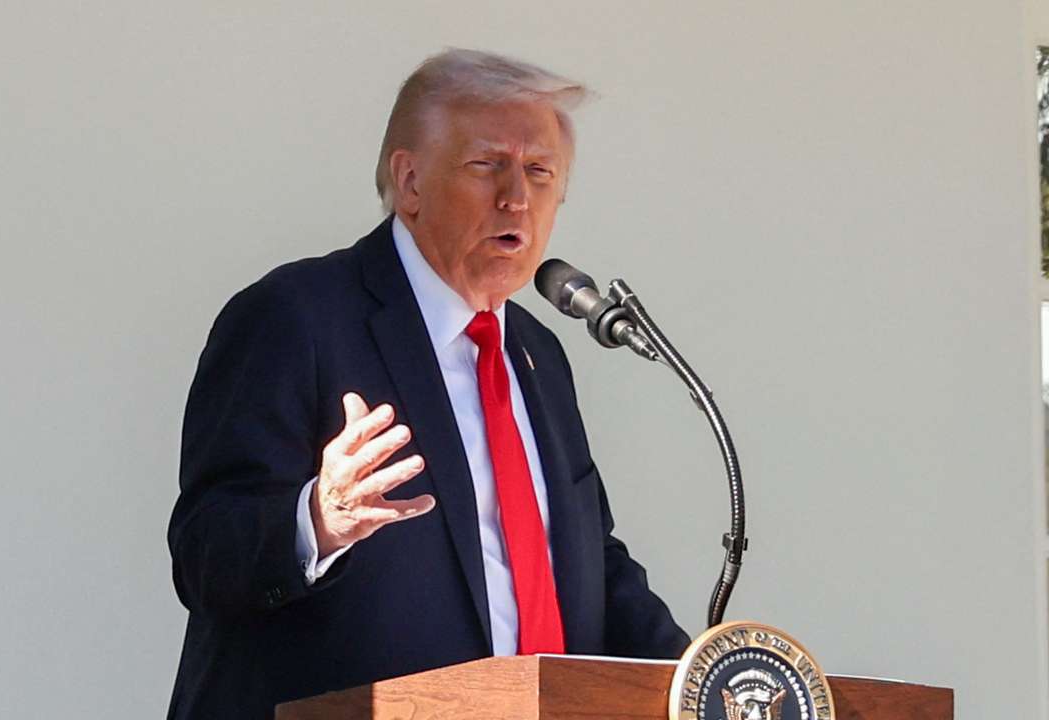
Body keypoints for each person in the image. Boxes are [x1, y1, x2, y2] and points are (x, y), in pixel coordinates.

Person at [166, 49, 688, 720]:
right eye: (487, 165)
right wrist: (317, 521)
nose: (516, 197)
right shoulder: (298, 317)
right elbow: (205, 552)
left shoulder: (538, 355)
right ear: (409, 181)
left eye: (538, 172)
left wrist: (706, 676)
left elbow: (588, 567)